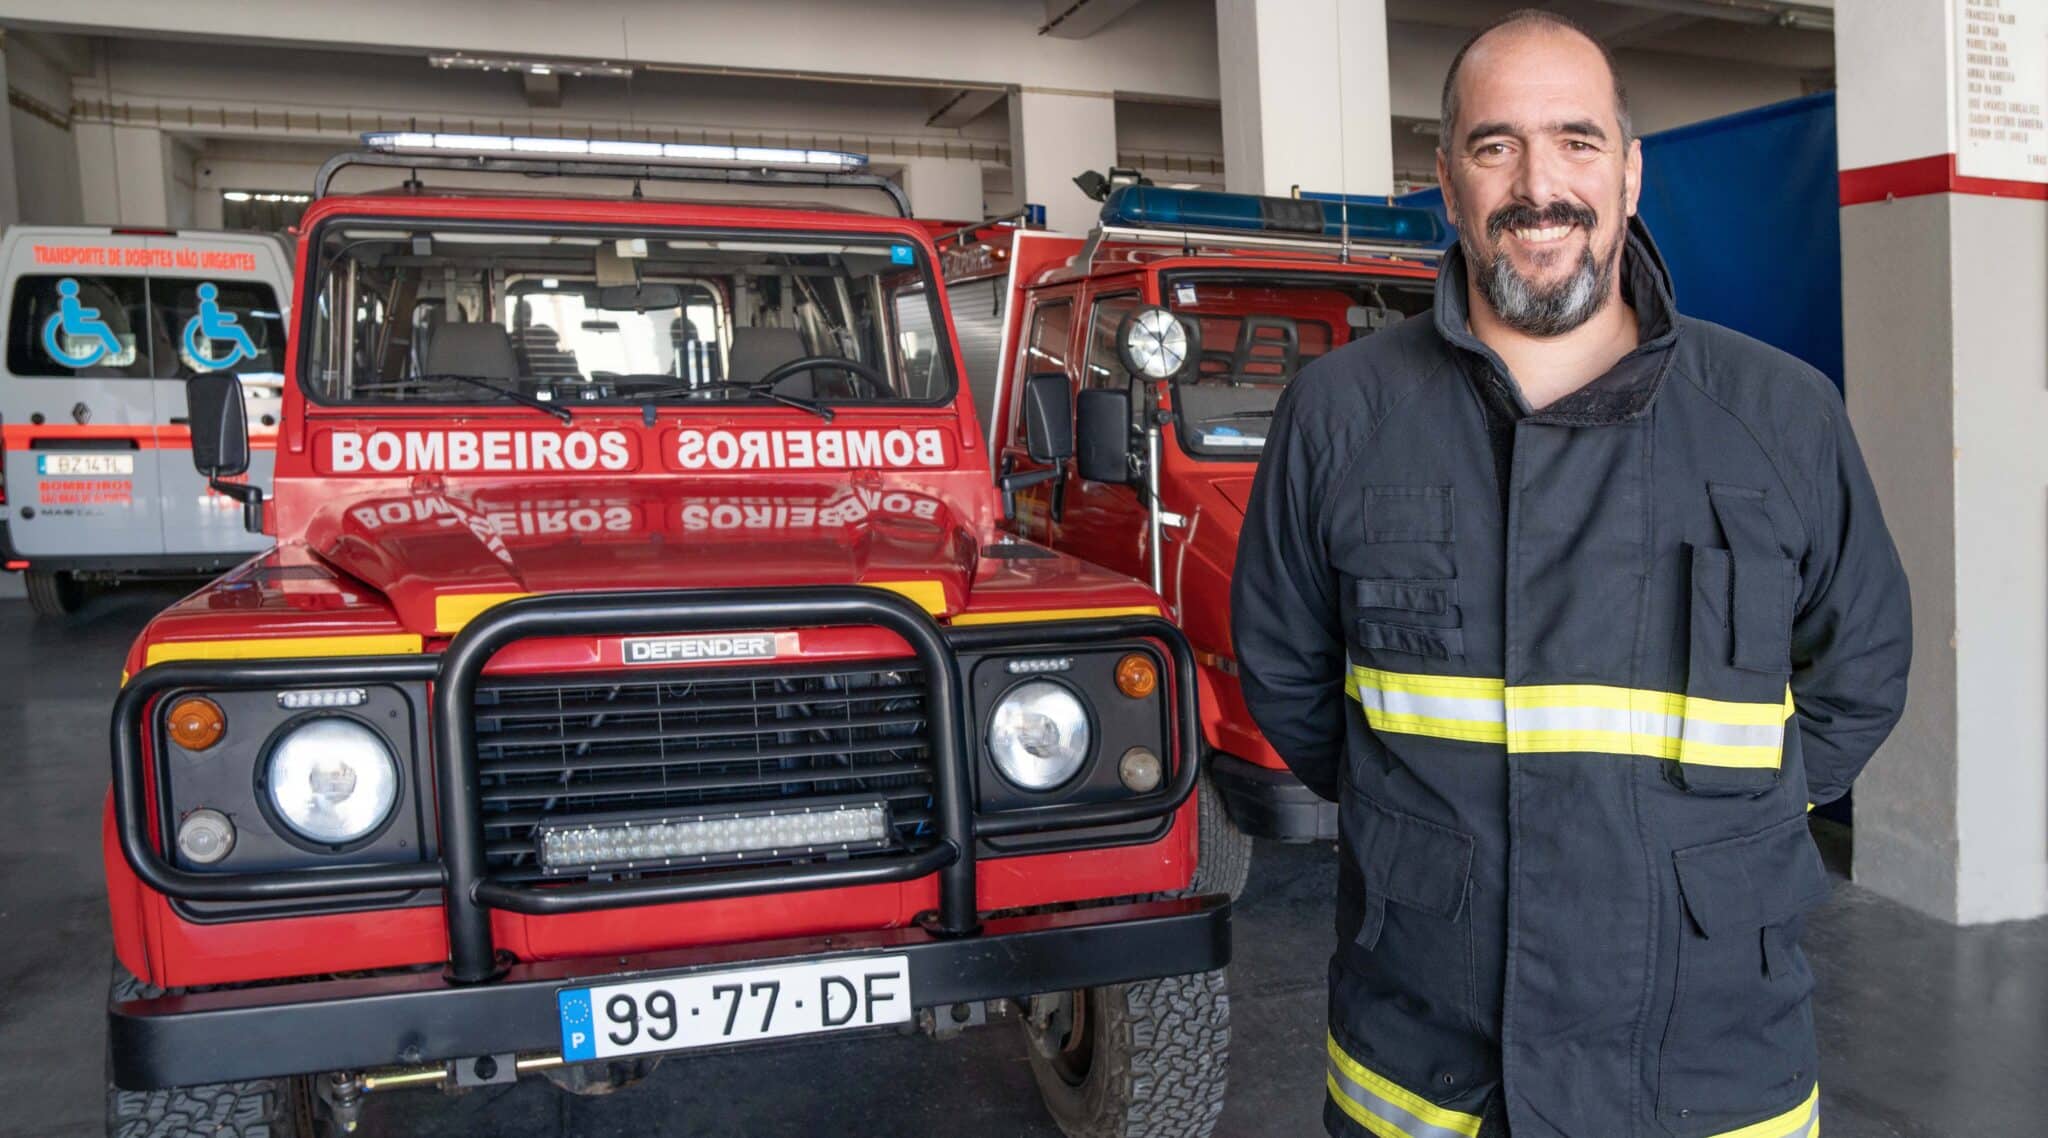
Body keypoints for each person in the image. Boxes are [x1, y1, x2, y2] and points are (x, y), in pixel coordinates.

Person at [1229, 10, 1910, 1138]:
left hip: (1708, 1059)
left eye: (1577, 141)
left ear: (1630, 172)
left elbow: (1862, 667)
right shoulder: (1340, 416)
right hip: (1425, 1061)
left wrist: (1721, 833)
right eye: (1495, 145)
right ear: (1445, 181)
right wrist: (1422, 820)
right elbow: (1289, 676)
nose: (1537, 184)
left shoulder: (1779, 416)